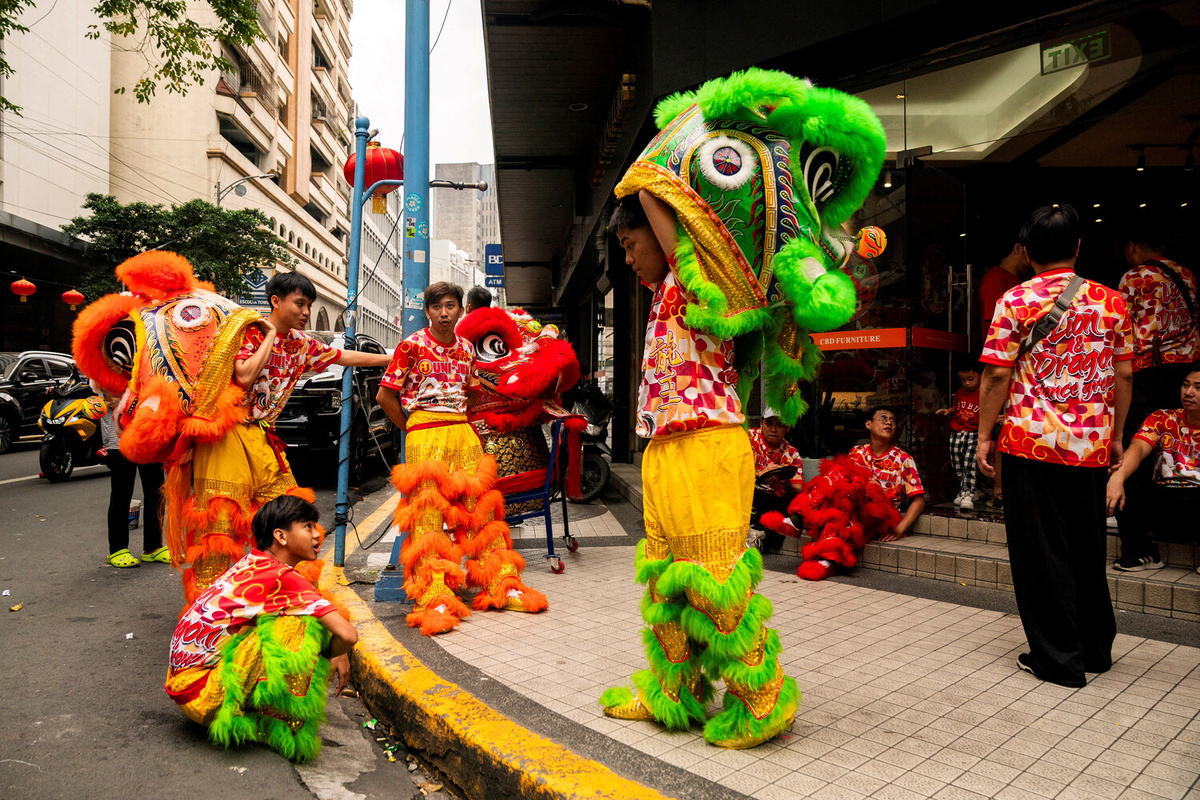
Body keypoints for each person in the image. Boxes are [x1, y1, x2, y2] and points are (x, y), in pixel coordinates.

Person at [599, 193, 798, 749]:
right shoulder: (661, 291)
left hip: (707, 442)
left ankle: (762, 700)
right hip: (665, 446)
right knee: (667, 581)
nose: (630, 258)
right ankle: (675, 693)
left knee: (714, 580)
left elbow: (667, 225)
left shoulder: (698, 277)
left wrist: (647, 185)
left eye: (632, 244)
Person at [977, 203, 1133, 689]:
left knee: (1040, 550)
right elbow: (1124, 373)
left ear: (1025, 251)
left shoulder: (1016, 300)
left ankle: (1058, 658)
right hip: (1089, 445)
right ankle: (1095, 648)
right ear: (1078, 247)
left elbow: (997, 373)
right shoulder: (1112, 301)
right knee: (1087, 545)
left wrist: (984, 434)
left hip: (1030, 443)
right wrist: (1116, 435)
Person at [175, 271, 390, 602]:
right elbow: (244, 375)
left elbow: (342, 356)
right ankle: (210, 610)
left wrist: (393, 358)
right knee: (220, 524)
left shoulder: (301, 344)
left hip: (263, 437)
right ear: (275, 301)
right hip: (226, 437)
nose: (306, 312)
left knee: (290, 513)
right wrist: (269, 335)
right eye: (300, 304)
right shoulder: (250, 332)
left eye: (309, 306)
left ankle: (285, 594)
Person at [377, 281, 546, 636]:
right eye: (436, 307)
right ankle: (434, 593)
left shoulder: (467, 348)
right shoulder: (411, 346)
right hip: (425, 432)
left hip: (462, 431)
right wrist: (412, 427)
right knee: (427, 515)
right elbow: (385, 396)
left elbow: (470, 395)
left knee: (480, 508)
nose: (443, 313)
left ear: (459, 310)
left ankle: (501, 582)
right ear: (427, 311)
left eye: (450, 306)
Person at [164, 495, 358, 763]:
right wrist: (332, 652)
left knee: (299, 616)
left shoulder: (253, 562)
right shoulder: (285, 578)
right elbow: (349, 634)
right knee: (301, 623)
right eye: (308, 527)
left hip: (182, 686)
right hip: (206, 698)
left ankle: (255, 704)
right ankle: (284, 723)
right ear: (281, 536)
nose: (318, 535)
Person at [1113, 226, 1198, 570]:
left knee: (1135, 452)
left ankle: (1138, 547)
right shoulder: (1188, 274)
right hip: (1186, 376)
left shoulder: (1134, 277)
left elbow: (1120, 331)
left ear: (1131, 246)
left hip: (1145, 374)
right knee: (1180, 452)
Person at [1107, 365, 1200, 574]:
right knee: (1125, 478)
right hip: (1164, 505)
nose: (1188, 392)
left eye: (1198, 387)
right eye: (1185, 385)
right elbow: (1138, 448)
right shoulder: (1162, 418)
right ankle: (1141, 553)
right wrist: (1117, 478)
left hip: (1197, 508)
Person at [979, 243, 1031, 510]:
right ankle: (999, 492)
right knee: (1002, 430)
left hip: (1020, 371)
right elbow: (993, 333)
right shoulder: (997, 280)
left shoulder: (1020, 284)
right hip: (1006, 368)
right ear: (1017, 248)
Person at [96, 382, 169, 568]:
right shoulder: (108, 355)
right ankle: (118, 548)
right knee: (122, 489)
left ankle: (154, 546)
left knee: (156, 489)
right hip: (118, 430)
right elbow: (99, 383)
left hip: (149, 427)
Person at [848, 407, 925, 540]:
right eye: (883, 418)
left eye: (892, 420)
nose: (889, 422)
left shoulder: (903, 459)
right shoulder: (856, 453)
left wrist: (899, 529)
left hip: (882, 521)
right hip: (855, 517)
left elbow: (919, 501)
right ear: (868, 424)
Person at [749, 409, 804, 551]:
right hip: (747, 495)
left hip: (772, 500)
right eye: (768, 423)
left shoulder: (791, 453)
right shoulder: (748, 438)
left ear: (787, 428)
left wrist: (785, 485)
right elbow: (730, 471)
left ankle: (758, 537)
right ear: (761, 423)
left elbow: (798, 489)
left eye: (779, 425)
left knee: (791, 503)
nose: (773, 429)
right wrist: (762, 474)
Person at [936, 361, 982, 510]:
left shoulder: (984, 393)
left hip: (973, 432)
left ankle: (969, 493)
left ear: (980, 376)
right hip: (957, 431)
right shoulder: (960, 392)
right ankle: (965, 490)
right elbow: (956, 406)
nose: (967, 383)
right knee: (957, 461)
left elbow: (988, 412)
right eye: (963, 380)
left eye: (970, 379)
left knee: (970, 463)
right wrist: (948, 411)